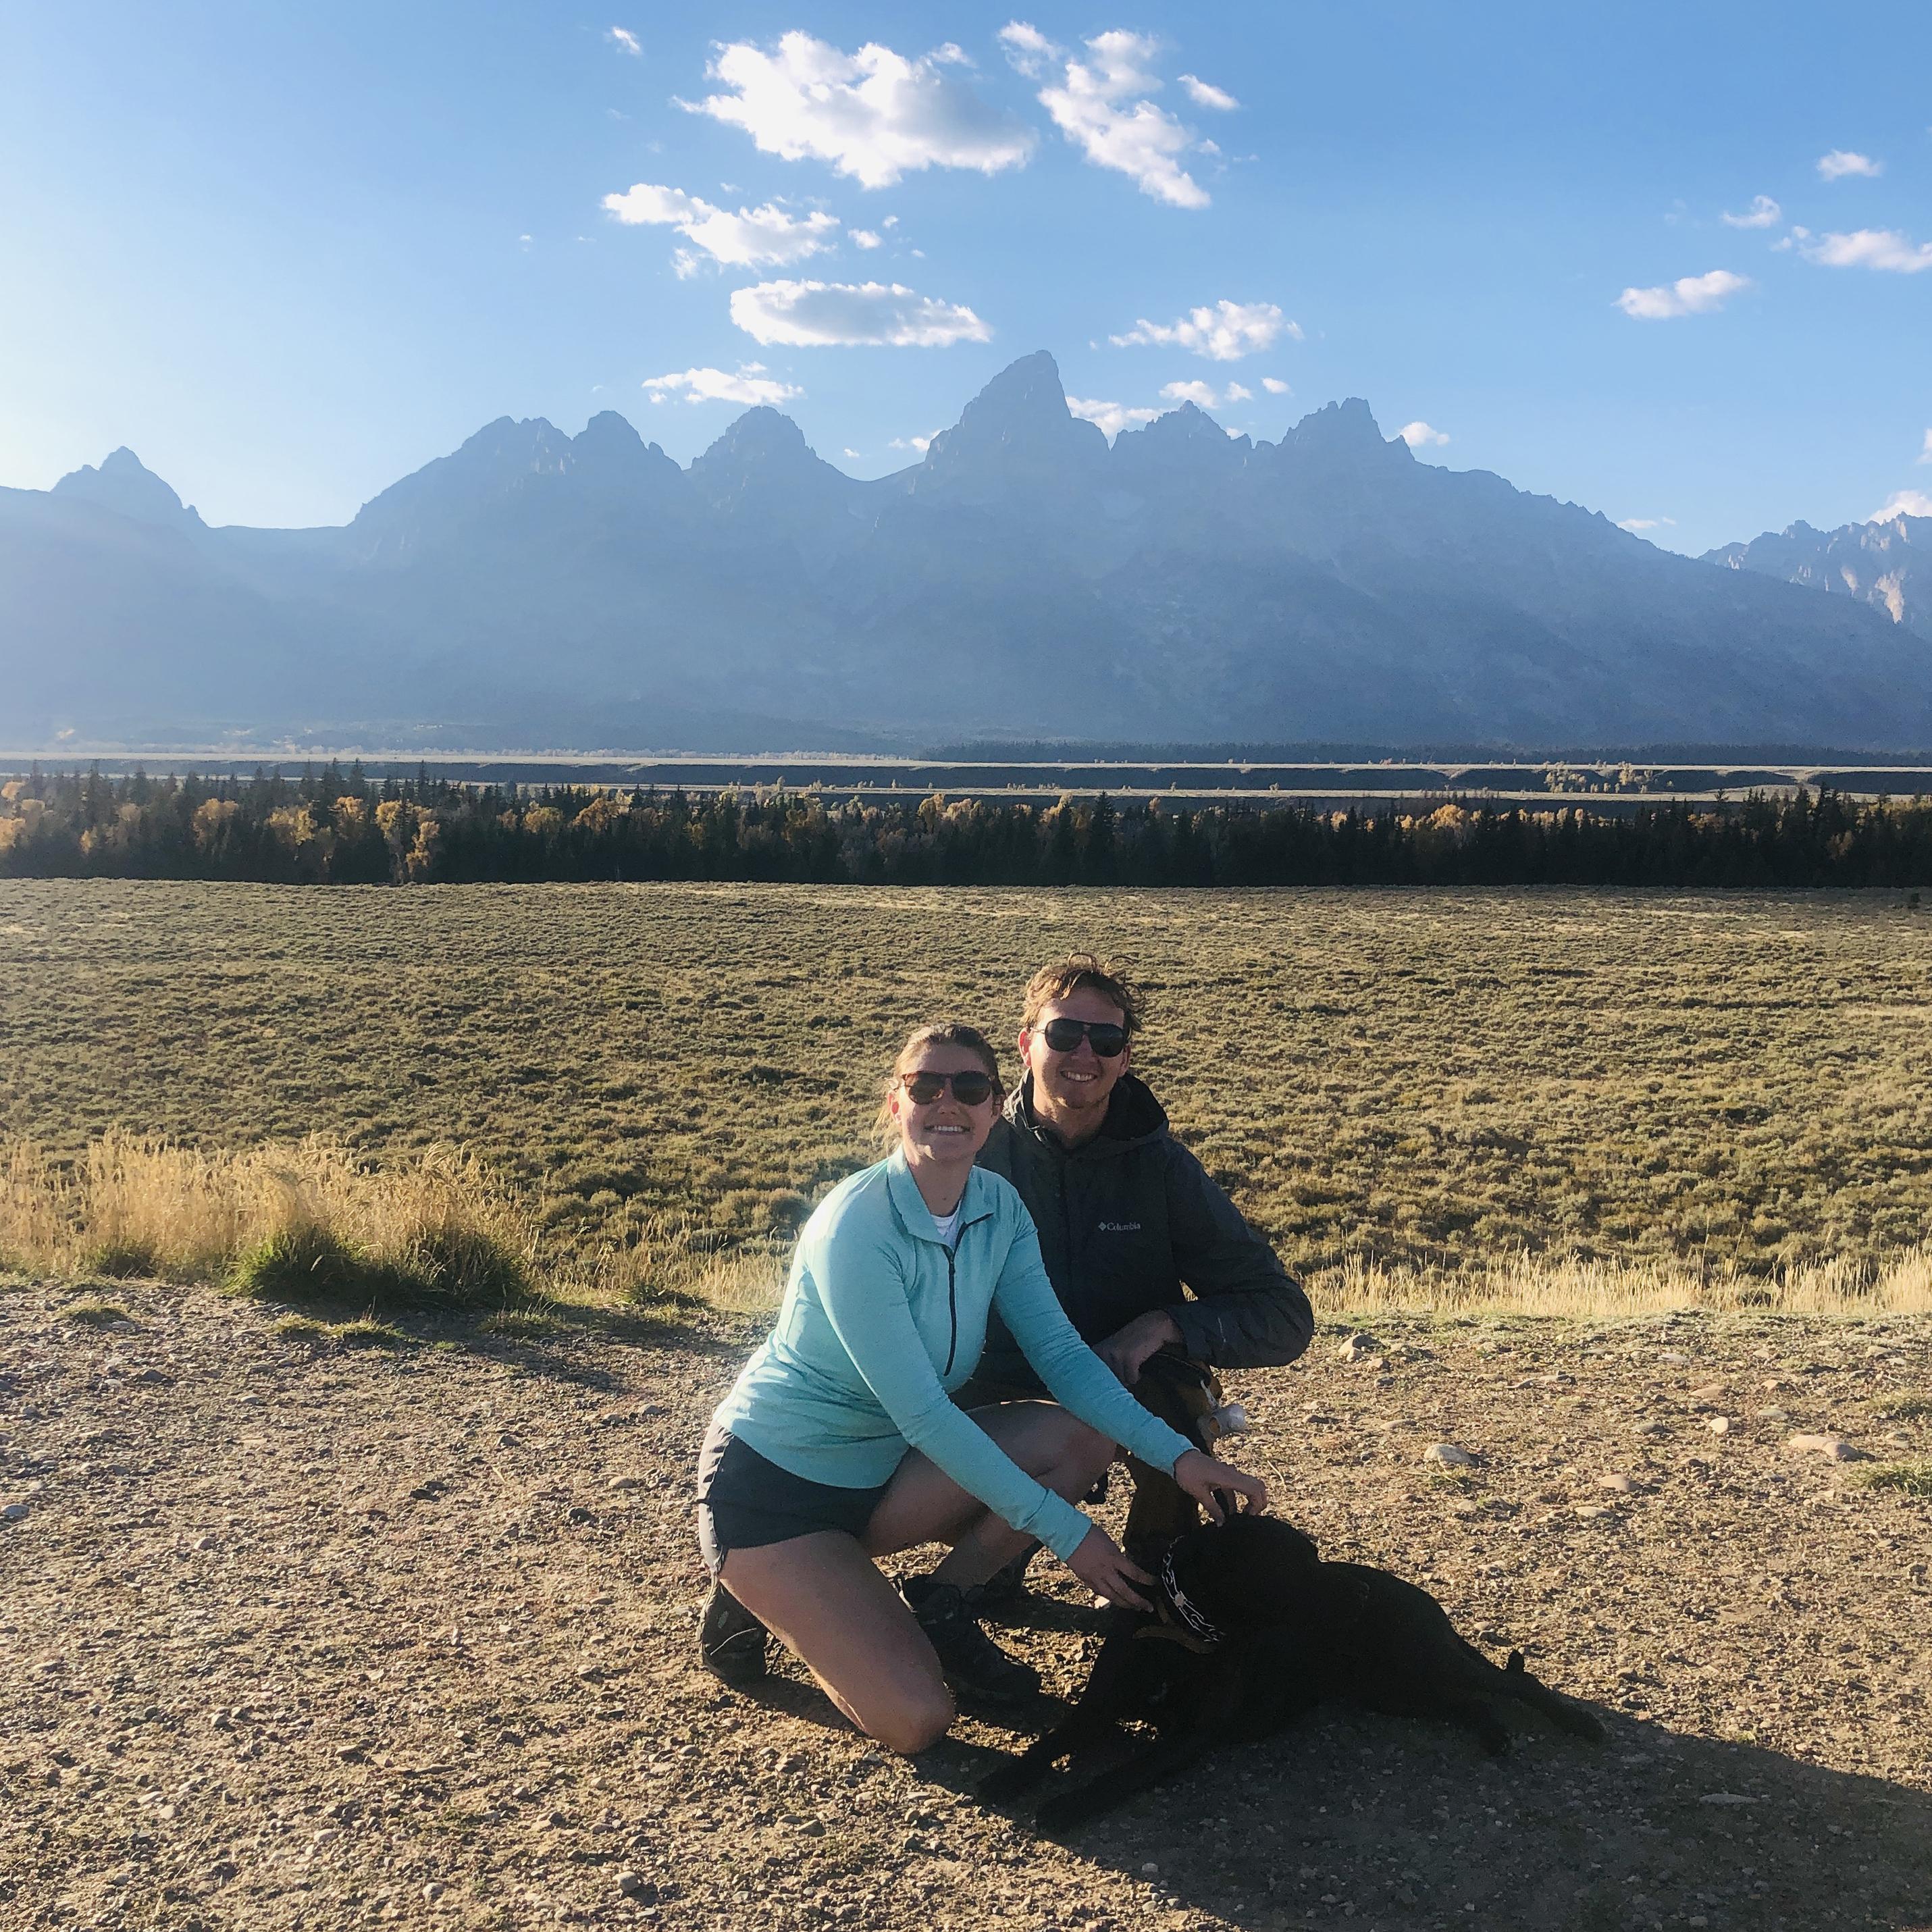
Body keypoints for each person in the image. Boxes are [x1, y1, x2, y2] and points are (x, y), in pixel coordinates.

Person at [693, 1021, 1267, 1754]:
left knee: (1079, 1437)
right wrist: (1074, 1538)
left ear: (996, 1107)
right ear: (894, 1103)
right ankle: (759, 1594)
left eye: (968, 1087)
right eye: (925, 1086)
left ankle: (943, 1603)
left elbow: (1060, 1352)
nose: (947, 1103)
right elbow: (928, 1416)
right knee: (917, 1719)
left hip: (878, 1478)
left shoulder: (997, 1206)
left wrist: (1178, 1458)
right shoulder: (855, 1226)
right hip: (772, 1491)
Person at [967, 953, 1313, 1598]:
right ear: (1025, 1045)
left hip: (1123, 1377)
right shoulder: (974, 1154)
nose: (1084, 1053)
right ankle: (975, 1574)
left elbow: (1283, 1315)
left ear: (1126, 1058)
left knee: (1172, 1411)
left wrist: (1166, 1326)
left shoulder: (1161, 1169)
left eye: (1106, 1039)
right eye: (1063, 1033)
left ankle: (1162, 1587)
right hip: (991, 1375)